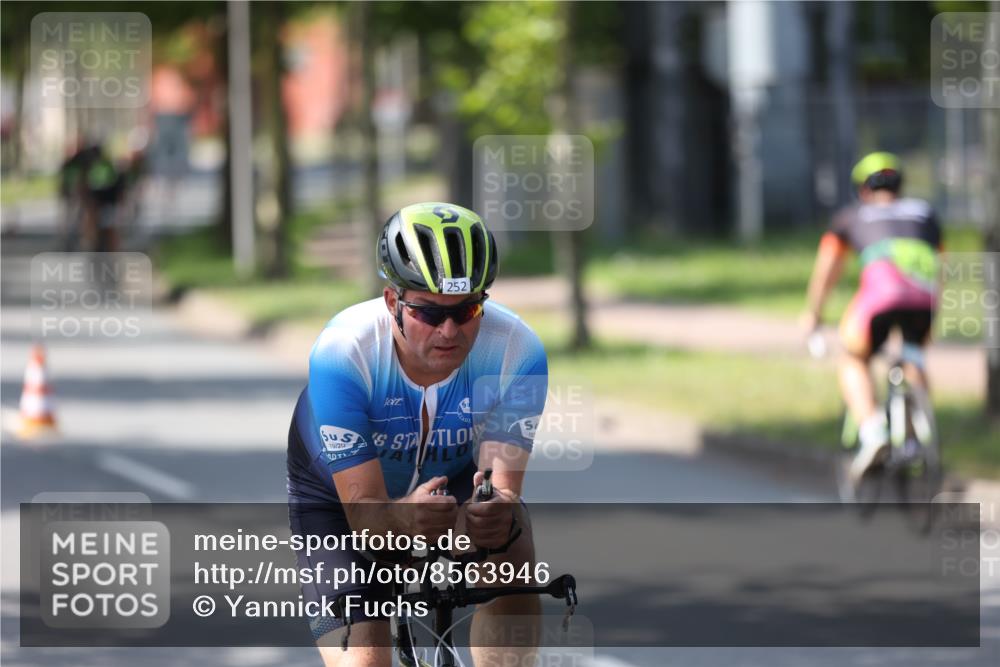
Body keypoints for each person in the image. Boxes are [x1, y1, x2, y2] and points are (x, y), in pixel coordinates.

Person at [287, 202, 548, 666]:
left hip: (454, 475)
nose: (449, 330)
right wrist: (404, 520)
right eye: (428, 313)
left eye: (468, 309)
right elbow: (365, 514)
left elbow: (503, 487)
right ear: (393, 302)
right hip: (339, 496)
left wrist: (495, 511)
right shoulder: (343, 353)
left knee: (510, 538)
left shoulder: (517, 350)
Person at [802, 152, 941, 483]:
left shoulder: (851, 216)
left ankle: (873, 430)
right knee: (913, 357)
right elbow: (939, 266)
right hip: (924, 299)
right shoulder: (925, 213)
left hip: (881, 298)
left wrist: (813, 314)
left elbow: (826, 272)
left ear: (863, 189)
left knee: (853, 358)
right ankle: (917, 435)